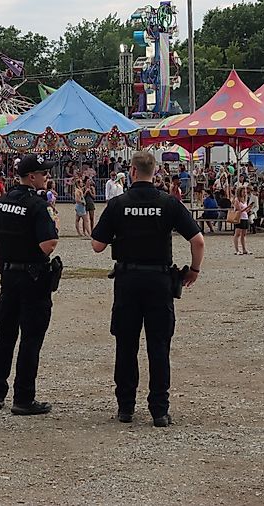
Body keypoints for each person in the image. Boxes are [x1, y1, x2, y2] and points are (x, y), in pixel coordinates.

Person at [91, 150, 205, 427]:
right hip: (159, 282)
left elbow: (97, 245)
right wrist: (194, 270)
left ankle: (126, 408)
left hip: (128, 280)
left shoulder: (119, 204)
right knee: (159, 346)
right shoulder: (168, 203)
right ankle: (159, 410)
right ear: (155, 172)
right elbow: (198, 240)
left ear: (131, 171)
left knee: (126, 345)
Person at [0, 154, 59, 416]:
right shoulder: (38, 206)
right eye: (43, 174)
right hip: (33, 278)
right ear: (31, 177)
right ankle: (24, 397)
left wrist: (2, 268)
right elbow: (47, 244)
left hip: (9, 277)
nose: (46, 177)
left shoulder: (0, 203)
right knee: (30, 338)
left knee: (4, 336)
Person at [232, 186, 251, 255]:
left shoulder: (244, 199)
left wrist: (248, 209)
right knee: (237, 233)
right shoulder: (237, 200)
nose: (245, 193)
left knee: (244, 234)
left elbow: (244, 210)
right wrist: (247, 208)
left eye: (245, 192)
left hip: (245, 217)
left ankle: (244, 249)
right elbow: (239, 210)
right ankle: (237, 249)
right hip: (239, 218)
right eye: (243, 192)